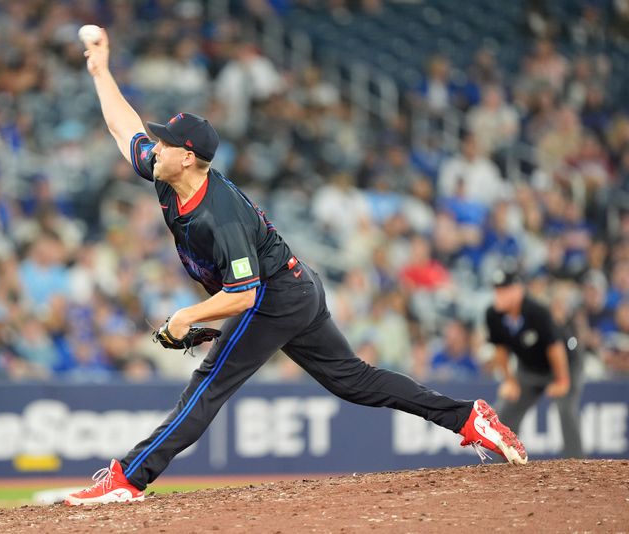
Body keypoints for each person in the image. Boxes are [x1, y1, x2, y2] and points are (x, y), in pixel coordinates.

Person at [65, 29, 528, 506]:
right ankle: (469, 418)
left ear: (187, 157)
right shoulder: (170, 175)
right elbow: (127, 129)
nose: (153, 148)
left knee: (209, 384)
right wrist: (100, 71)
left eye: (164, 144)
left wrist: (185, 317)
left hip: (275, 295)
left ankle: (128, 479)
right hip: (295, 284)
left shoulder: (216, 213)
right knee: (355, 381)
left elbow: (244, 295)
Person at [486, 266, 583, 459]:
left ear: (518, 290)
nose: (499, 295)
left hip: (564, 366)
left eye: (504, 290)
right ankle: (503, 463)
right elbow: (501, 350)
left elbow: (555, 348)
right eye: (497, 290)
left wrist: (562, 380)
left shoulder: (537, 311)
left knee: (566, 409)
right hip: (529, 370)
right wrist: (509, 380)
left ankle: (577, 462)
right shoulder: (493, 314)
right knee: (505, 410)